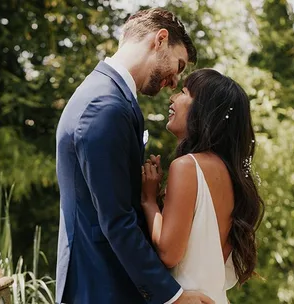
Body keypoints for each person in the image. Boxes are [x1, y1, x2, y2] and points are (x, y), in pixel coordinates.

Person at [55, 8, 215, 304]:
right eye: (179, 65)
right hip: (100, 285)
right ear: (161, 40)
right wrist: (174, 297)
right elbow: (116, 220)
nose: (174, 80)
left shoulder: (112, 98)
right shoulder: (104, 106)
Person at [141, 69, 265, 303]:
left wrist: (148, 201)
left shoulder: (187, 167)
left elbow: (169, 253)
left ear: (205, 111)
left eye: (184, 92)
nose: (172, 97)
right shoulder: (232, 175)